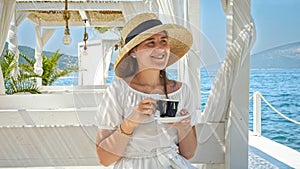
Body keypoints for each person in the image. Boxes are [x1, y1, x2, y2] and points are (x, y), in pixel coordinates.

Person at [96, 13, 198, 169]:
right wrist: (130, 123)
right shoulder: (118, 90)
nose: (160, 48)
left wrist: (183, 128)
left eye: (163, 41)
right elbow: (104, 158)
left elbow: (189, 153)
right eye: (150, 43)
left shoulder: (182, 91)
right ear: (133, 52)